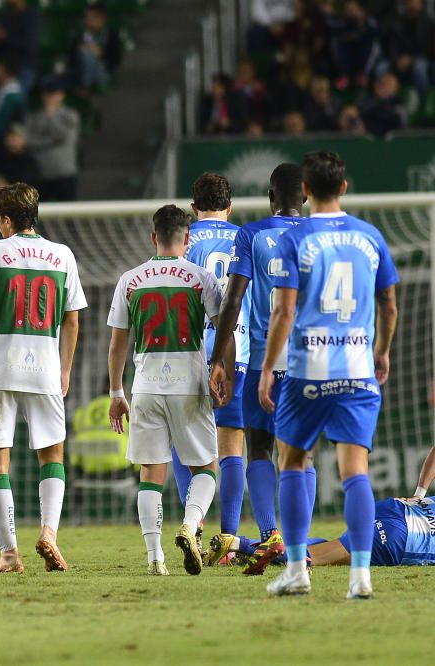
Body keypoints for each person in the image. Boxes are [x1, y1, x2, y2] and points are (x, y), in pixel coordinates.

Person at [259, 150, 399, 599]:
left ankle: (298, 569)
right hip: (358, 368)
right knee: (355, 470)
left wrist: (267, 369)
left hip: (307, 371)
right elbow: (390, 304)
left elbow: (283, 311)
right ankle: (360, 577)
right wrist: (382, 351)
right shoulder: (370, 236)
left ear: (305, 190)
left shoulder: (295, 239)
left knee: (293, 462)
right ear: (343, 187)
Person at [0, 182, 86, 573]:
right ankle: (49, 532)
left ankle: (10, 554)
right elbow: (72, 319)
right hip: (45, 369)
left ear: (6, 219)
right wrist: (64, 368)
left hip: (0, 368)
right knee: (53, 456)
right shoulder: (62, 255)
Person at [207, 163, 310, 576]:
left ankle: (270, 535)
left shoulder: (252, 234)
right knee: (302, 453)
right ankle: (298, 543)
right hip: (313, 359)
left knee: (260, 446)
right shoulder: (321, 235)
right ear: (304, 195)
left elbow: (232, 302)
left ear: (270, 196)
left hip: (268, 359)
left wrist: (219, 357)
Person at [108, 204, 222, 576]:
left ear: (153, 237)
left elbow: (117, 344)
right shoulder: (200, 277)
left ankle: (155, 558)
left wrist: (115, 392)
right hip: (189, 384)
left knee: (150, 472)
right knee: (206, 466)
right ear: (187, 239)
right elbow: (222, 327)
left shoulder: (130, 279)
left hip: (146, 385)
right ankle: (190, 524)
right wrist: (222, 372)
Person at [165, 173, 248, 565]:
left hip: (188, 353)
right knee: (232, 444)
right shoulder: (245, 239)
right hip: (236, 352)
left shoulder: (183, 241)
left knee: (187, 447)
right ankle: (228, 540)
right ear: (230, 208)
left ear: (193, 207)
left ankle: (193, 526)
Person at [216, 497, 435, 568]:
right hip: (398, 538)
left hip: (394, 508)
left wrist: (419, 492)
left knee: (334, 549)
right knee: (315, 557)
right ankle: (238, 544)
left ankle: (242, 551)